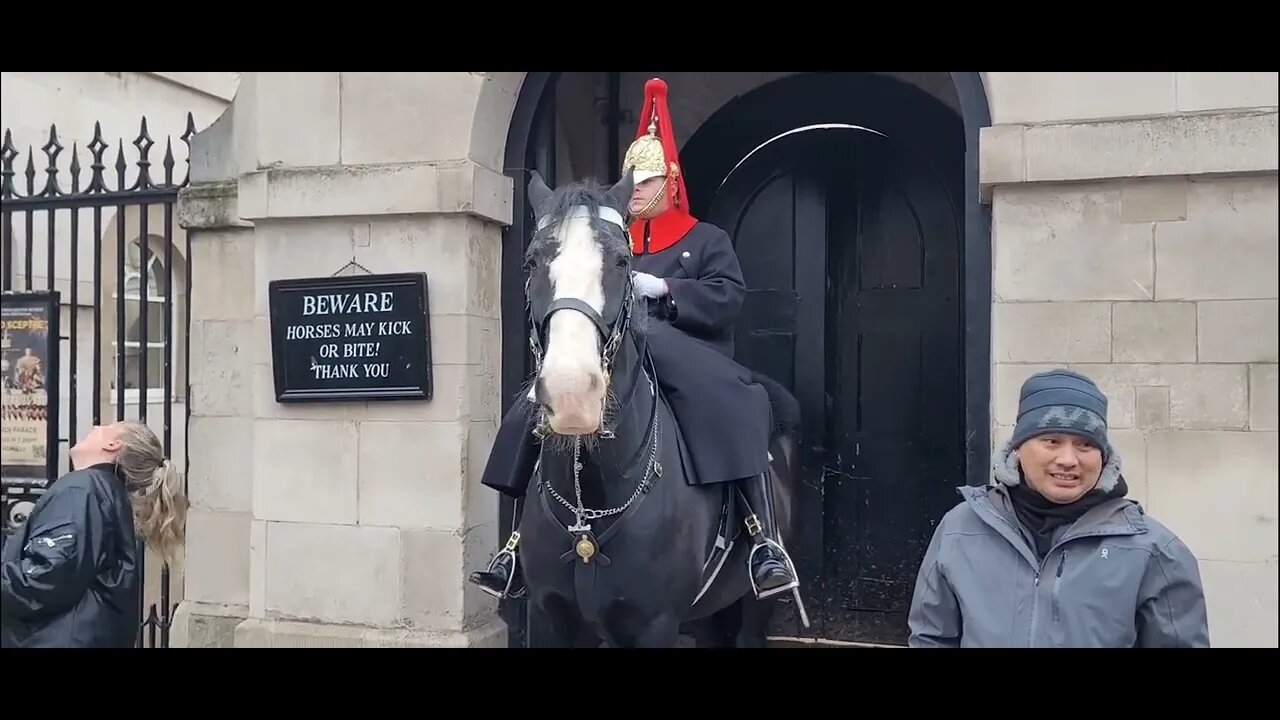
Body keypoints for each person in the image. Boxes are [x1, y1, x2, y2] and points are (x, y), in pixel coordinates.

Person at [470, 77, 797, 602]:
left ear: (669, 182)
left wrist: (666, 288)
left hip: (688, 350)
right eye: (633, 183)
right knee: (529, 407)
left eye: (648, 182)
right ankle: (512, 546)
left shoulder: (705, 239)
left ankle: (764, 542)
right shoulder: (604, 239)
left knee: (738, 401)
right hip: (617, 351)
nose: (639, 191)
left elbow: (729, 297)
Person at [907, 369, 1210, 648]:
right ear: (1017, 450)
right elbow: (931, 638)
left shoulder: (1154, 551)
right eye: (1051, 440)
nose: (1068, 459)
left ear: (1104, 458)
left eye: (1085, 445)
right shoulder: (961, 529)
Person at [1, 421, 188, 648]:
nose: (97, 425)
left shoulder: (82, 489)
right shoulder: (101, 491)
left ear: (112, 444)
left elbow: (45, 576)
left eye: (107, 426)